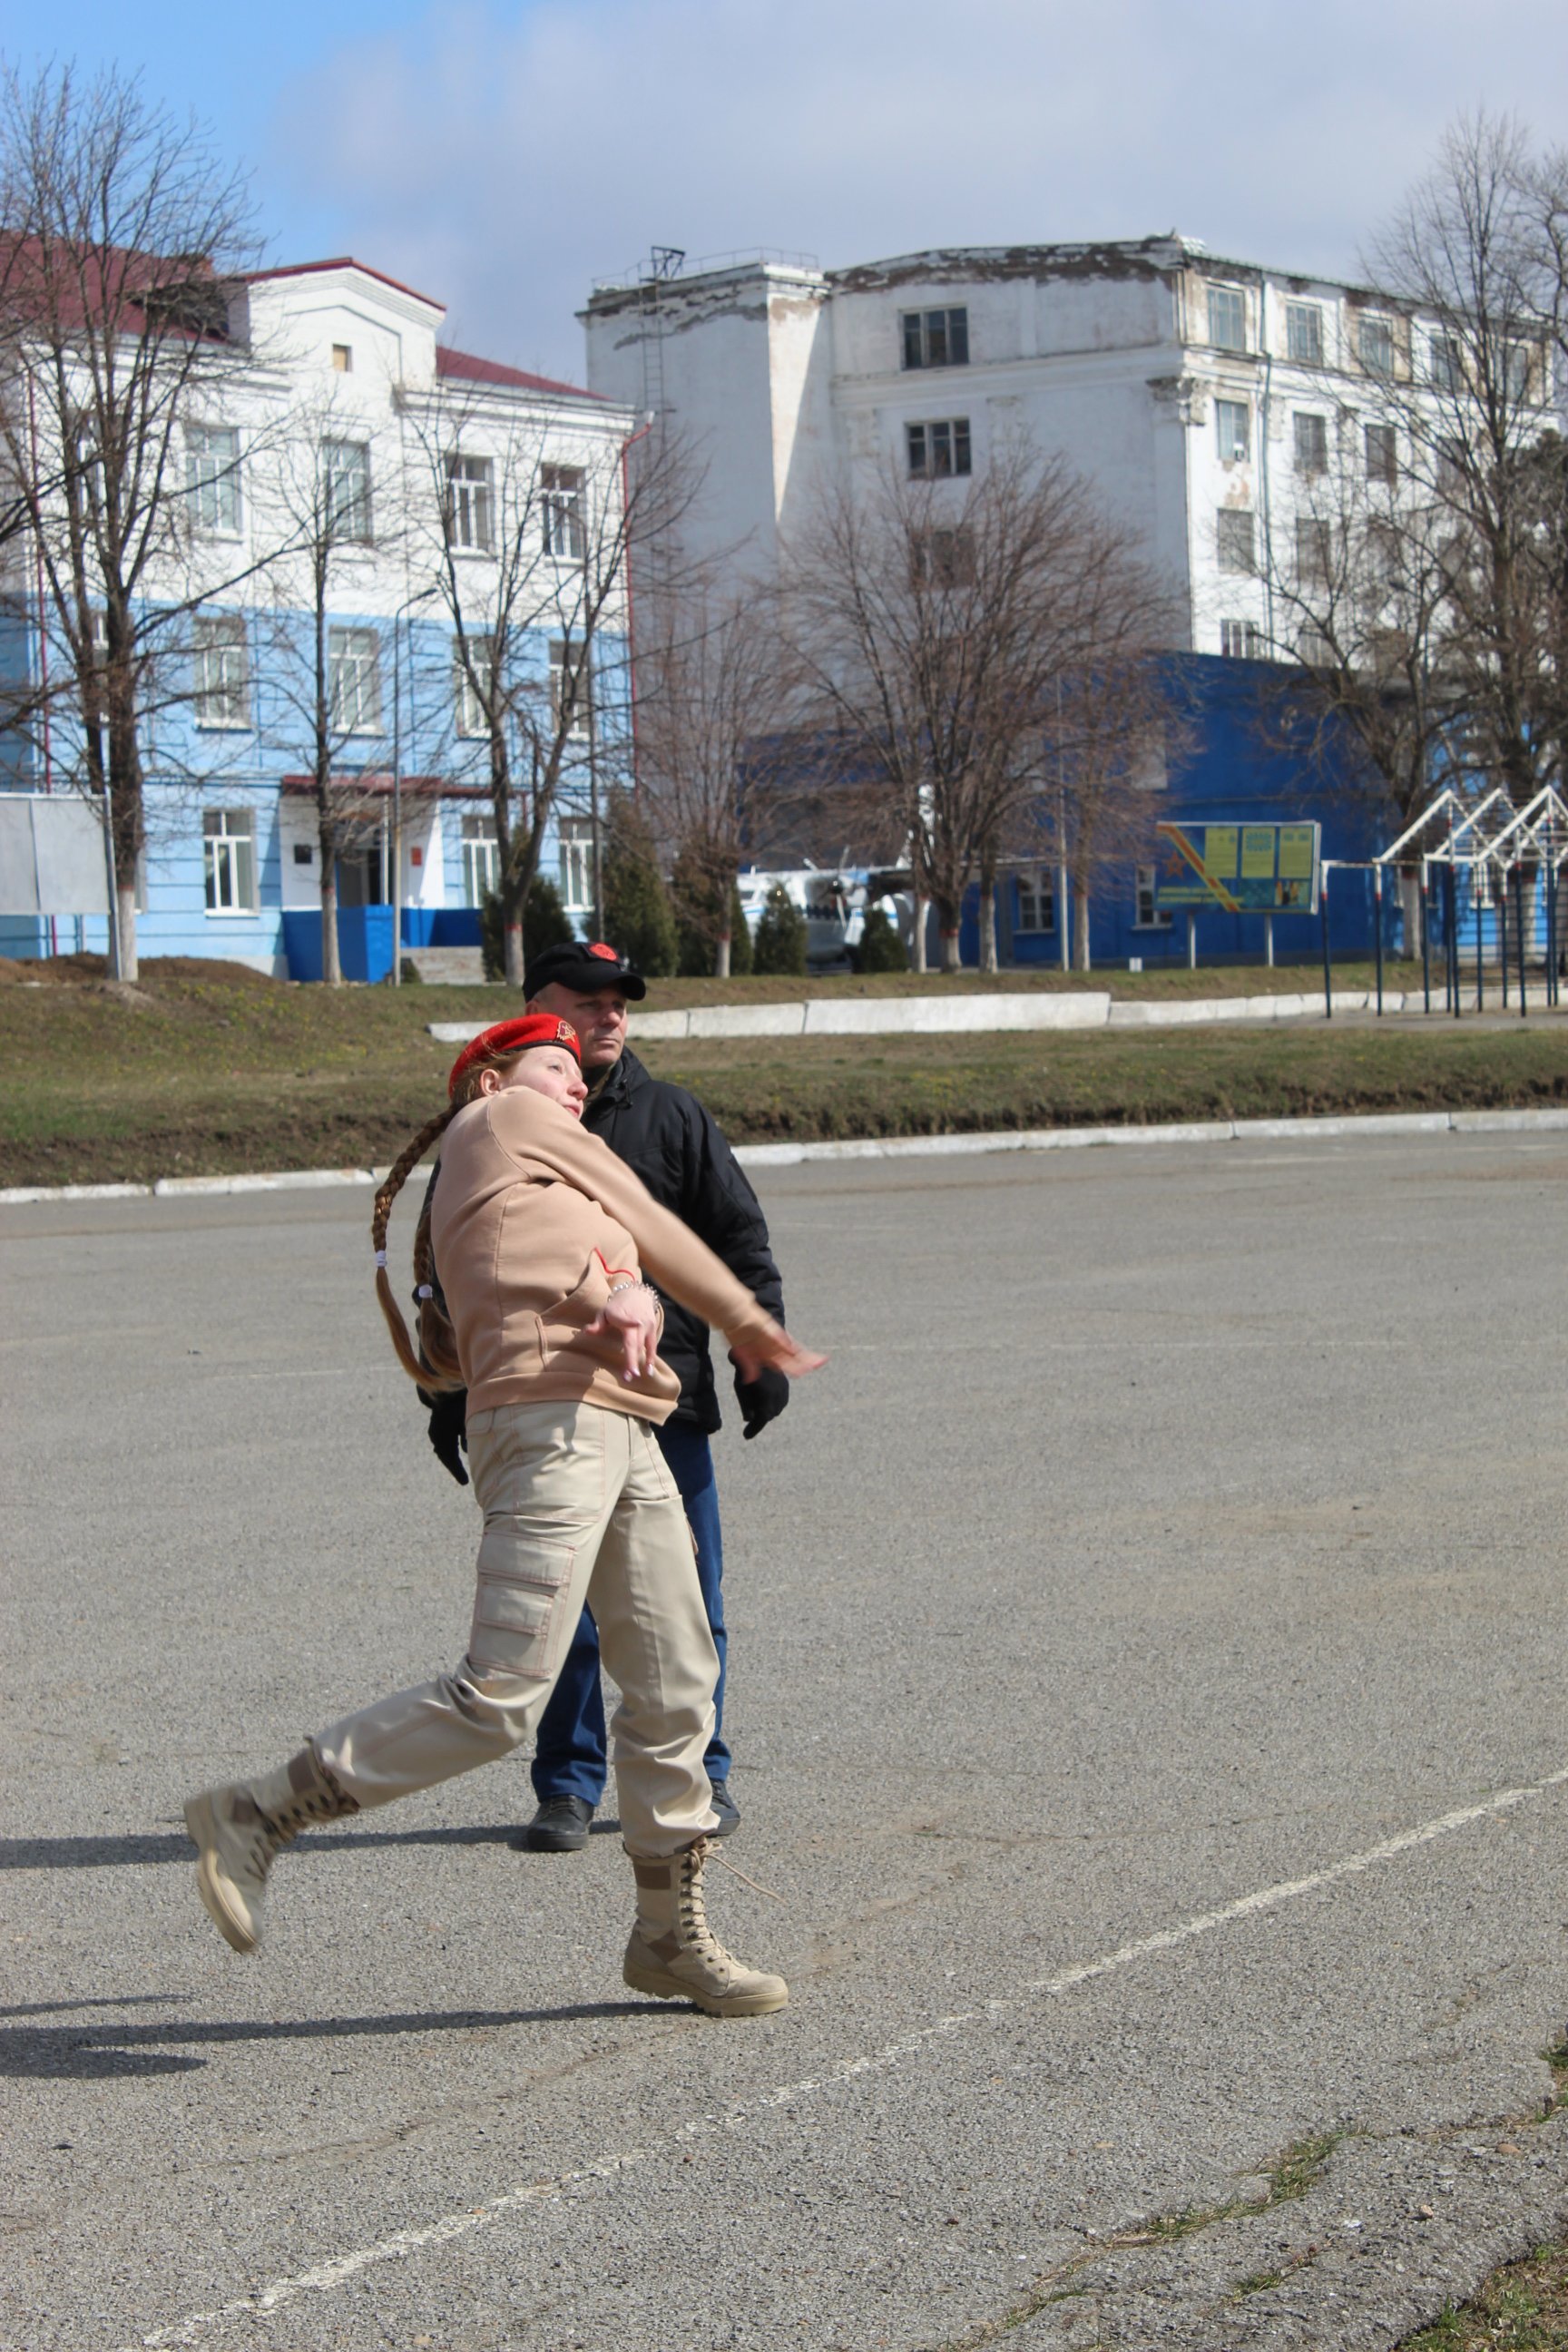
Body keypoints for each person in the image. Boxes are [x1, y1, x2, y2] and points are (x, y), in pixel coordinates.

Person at [183, 1014, 824, 2020]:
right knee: (502, 1693)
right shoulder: (499, 1122)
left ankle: (667, 1932)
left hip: (623, 1430)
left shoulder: (549, 1176)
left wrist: (632, 1301)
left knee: (676, 1680)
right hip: (548, 1424)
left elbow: (617, 1257)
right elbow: (649, 1231)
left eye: (579, 1072)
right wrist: (743, 1318)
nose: (573, 1084)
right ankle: (256, 1813)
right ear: (489, 1078)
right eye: (552, 1065)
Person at [426, 937, 789, 1856]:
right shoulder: (487, 1129)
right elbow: (451, 1275)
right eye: (585, 999)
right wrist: (447, 1393)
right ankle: (569, 1784)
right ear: (533, 1009)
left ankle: (699, 1773)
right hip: (545, 1404)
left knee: (684, 1606)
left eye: (619, 999)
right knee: (560, 1611)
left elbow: (736, 1234)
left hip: (666, 1407)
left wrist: (759, 1342)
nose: (609, 1014)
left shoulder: (669, 1115)